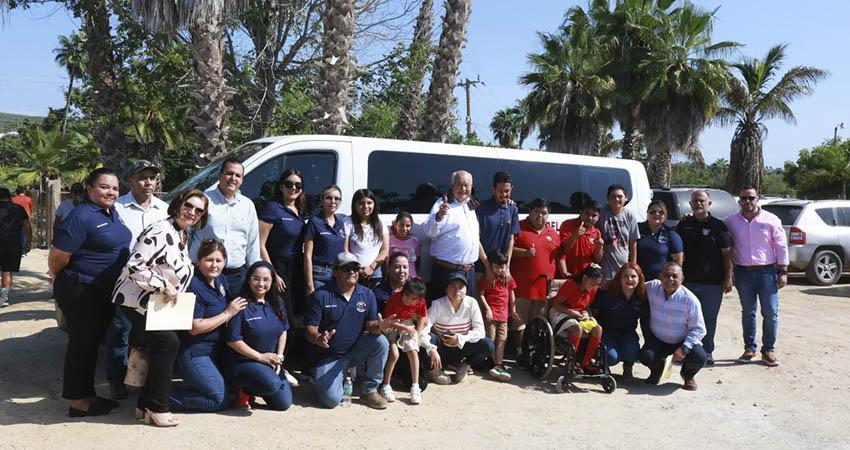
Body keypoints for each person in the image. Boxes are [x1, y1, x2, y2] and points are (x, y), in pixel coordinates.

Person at [112, 188, 208, 426]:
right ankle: (156, 406)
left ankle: (144, 407)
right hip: (135, 301)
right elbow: (134, 266)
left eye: (198, 210)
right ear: (178, 204)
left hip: (156, 306)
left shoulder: (182, 234)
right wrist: (163, 285)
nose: (192, 212)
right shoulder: (160, 229)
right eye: (189, 206)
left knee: (162, 346)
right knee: (168, 343)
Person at [49, 168, 132, 417]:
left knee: (91, 344)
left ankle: (88, 395)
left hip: (102, 290)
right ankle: (78, 403)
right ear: (90, 188)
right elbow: (58, 257)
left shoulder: (111, 212)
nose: (111, 192)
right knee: (82, 345)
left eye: (115, 188)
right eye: (104, 187)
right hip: (82, 289)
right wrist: (60, 278)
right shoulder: (81, 216)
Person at [105, 160, 170, 400]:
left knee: (149, 333)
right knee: (121, 330)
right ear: (130, 180)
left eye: (152, 178)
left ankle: (144, 379)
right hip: (127, 282)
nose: (148, 182)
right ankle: (116, 380)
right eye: (142, 177)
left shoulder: (164, 209)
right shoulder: (118, 208)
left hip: (155, 282)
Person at [303, 252, 393, 409]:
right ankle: (325, 378)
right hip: (327, 357)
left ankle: (369, 390)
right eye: (346, 268)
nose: (352, 272)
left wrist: (379, 327)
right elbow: (309, 330)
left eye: (355, 268)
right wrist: (318, 338)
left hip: (353, 351)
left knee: (381, 342)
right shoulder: (320, 295)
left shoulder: (367, 294)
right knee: (330, 401)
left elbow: (371, 327)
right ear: (335, 271)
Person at [169, 240, 247, 412]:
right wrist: (227, 313)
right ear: (198, 260)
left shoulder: (220, 280)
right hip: (195, 353)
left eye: (219, 261)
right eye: (209, 260)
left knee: (229, 395)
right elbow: (194, 327)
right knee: (219, 400)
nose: (214, 265)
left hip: (215, 351)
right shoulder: (193, 285)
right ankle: (158, 397)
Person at [724, 186, 789, 367]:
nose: (748, 201)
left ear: (757, 198)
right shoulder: (731, 221)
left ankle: (768, 350)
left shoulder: (771, 220)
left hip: (767, 272)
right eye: (744, 198)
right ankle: (749, 349)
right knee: (748, 312)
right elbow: (713, 225)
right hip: (743, 272)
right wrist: (688, 216)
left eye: (751, 197)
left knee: (770, 312)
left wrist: (783, 271)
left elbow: (781, 245)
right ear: (739, 201)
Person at [223, 261, 293, 411]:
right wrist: (261, 357)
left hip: (270, 363)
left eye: (266, 279)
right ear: (248, 279)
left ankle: (259, 385)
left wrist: (279, 357)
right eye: (256, 278)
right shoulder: (240, 303)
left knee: (283, 404)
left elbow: (283, 330)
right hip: (244, 362)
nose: (261, 283)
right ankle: (242, 390)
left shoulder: (277, 302)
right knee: (272, 384)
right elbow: (233, 341)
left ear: (272, 281)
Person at [676, 190, 733, 365]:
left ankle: (707, 352)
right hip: (688, 282)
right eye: (695, 201)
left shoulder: (719, 226)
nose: (699, 203)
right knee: (685, 319)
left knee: (708, 319)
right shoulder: (684, 224)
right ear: (691, 204)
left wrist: (728, 277)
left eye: (702, 201)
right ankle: (684, 351)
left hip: (713, 283)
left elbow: (727, 254)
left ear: (709, 204)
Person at [190, 158, 260, 298]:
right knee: (208, 317)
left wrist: (255, 271)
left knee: (236, 317)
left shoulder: (247, 205)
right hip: (206, 275)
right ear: (220, 176)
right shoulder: (204, 200)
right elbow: (187, 233)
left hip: (237, 277)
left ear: (242, 180)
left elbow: (252, 242)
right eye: (229, 173)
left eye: (238, 175)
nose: (233, 178)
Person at [639, 262, 707, 391]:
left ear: (682, 279)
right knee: (645, 356)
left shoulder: (690, 299)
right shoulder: (652, 287)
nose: (670, 279)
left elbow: (699, 329)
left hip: (681, 341)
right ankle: (657, 371)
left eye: (675, 276)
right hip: (658, 340)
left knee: (700, 357)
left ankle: (688, 375)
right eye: (666, 275)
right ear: (660, 276)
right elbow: (634, 286)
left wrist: (685, 348)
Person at [510, 197, 560, 364]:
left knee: (536, 323)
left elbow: (557, 257)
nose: (540, 216)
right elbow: (508, 250)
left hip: (543, 288)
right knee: (519, 322)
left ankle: (531, 352)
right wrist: (524, 253)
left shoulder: (553, 233)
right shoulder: (519, 228)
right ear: (530, 212)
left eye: (544, 213)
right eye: (537, 212)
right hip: (521, 286)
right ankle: (519, 352)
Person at [423, 272, 494, 385]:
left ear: (466, 289)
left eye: (461, 287)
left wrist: (460, 338)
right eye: (452, 287)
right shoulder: (437, 304)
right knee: (429, 338)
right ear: (446, 289)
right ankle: (435, 370)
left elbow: (480, 331)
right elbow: (424, 330)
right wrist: (431, 349)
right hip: (442, 349)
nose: (457, 291)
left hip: (462, 347)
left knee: (488, 344)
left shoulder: (472, 303)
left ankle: (464, 366)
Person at [425, 170, 480, 301]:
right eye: (459, 185)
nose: (463, 189)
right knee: (443, 314)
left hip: (469, 272)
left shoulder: (471, 205)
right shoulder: (443, 204)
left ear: (471, 187)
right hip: (447, 271)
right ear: (452, 186)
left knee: (465, 313)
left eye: (467, 185)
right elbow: (429, 231)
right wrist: (439, 216)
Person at [258, 169, 307, 315]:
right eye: (289, 184)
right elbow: (260, 245)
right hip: (279, 267)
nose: (293, 188)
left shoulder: (301, 211)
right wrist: (273, 274)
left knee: (298, 314)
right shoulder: (272, 208)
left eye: (298, 185)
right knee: (285, 315)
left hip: (297, 267)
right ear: (281, 186)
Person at [379, 278, 428, 404]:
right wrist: (406, 328)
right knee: (394, 354)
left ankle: (415, 386)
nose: (409, 300)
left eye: (413, 299)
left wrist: (418, 332)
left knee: (413, 350)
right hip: (393, 324)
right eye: (407, 296)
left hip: (408, 325)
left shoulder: (421, 301)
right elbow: (389, 321)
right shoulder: (394, 299)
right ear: (402, 291)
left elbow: (422, 316)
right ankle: (386, 384)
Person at [593, 263, 646, 378]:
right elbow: (593, 308)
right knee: (612, 358)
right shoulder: (608, 293)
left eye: (633, 276)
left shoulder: (642, 296)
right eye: (625, 276)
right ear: (619, 278)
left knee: (633, 353)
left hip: (628, 333)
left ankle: (628, 366)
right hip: (607, 332)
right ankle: (603, 365)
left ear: (639, 278)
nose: (629, 279)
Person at [549, 265, 604, 373]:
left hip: (578, 313)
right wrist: (571, 312)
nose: (594, 287)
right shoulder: (570, 285)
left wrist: (586, 313)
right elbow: (556, 304)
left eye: (597, 284)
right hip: (561, 311)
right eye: (593, 284)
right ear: (584, 279)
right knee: (577, 328)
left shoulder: (593, 290)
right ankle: (571, 362)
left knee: (598, 329)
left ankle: (586, 363)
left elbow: (586, 306)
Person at [477, 251, 517, 382]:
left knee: (502, 339)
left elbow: (511, 293)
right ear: (491, 266)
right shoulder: (487, 278)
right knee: (491, 339)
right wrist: (487, 309)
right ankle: (496, 365)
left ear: (506, 266)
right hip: (491, 314)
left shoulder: (508, 278)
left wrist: (513, 309)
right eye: (496, 267)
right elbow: (481, 294)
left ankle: (498, 364)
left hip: (503, 315)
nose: (499, 270)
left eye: (502, 267)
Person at [476, 171, 520, 285]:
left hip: (502, 269)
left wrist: (507, 267)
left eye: (507, 191)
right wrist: (488, 267)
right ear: (493, 189)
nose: (504, 194)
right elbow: (476, 240)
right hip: (482, 268)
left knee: (501, 301)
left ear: (511, 188)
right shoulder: (482, 209)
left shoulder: (513, 209)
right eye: (500, 191)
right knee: (481, 300)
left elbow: (511, 239)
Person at [303, 184, 348, 296]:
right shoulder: (314, 222)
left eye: (337, 198)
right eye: (329, 198)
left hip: (338, 275)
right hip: (319, 274)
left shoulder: (341, 223)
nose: (333, 201)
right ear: (322, 200)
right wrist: (309, 285)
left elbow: (345, 251)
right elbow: (307, 256)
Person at [346, 189, 389, 286]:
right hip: (354, 273)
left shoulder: (380, 223)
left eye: (369, 203)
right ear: (355, 205)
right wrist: (357, 268)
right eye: (361, 203)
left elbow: (385, 250)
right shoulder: (348, 222)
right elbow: (346, 250)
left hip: (375, 274)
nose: (366, 206)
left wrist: (372, 268)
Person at [599, 183, 640, 282]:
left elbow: (633, 243)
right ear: (608, 199)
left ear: (626, 198)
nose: (616, 199)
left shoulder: (630, 216)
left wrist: (633, 266)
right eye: (613, 196)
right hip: (606, 267)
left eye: (620, 196)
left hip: (623, 266)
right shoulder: (602, 213)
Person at [636, 200, 683, 281]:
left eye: (661, 212)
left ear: (665, 215)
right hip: (638, 280)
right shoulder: (637, 229)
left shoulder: (671, 234)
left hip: (662, 282)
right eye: (653, 211)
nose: (656, 214)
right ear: (647, 213)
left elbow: (678, 261)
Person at [0, 188, 30, 307]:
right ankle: (3, 298)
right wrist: (28, 241)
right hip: (12, 244)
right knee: (7, 271)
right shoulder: (18, 209)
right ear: (10, 197)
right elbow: (27, 225)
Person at [559, 199, 603, 278]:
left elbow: (597, 260)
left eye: (594, 215)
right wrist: (574, 236)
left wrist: (599, 247)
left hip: (585, 278)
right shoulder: (568, 225)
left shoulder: (596, 233)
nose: (590, 217)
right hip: (568, 275)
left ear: (598, 218)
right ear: (581, 212)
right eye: (587, 213)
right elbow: (563, 249)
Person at [388, 211, 421, 278]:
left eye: (408, 226)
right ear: (396, 224)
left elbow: (418, 262)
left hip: (411, 279)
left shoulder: (415, 241)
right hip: (394, 279)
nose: (404, 229)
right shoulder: (389, 240)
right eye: (401, 225)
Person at [11, 186, 33, 254]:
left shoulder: (13, 199)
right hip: (26, 218)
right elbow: (31, 207)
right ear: (24, 191)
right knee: (25, 233)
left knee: (18, 234)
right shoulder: (28, 199)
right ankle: (24, 250)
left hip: (15, 219)